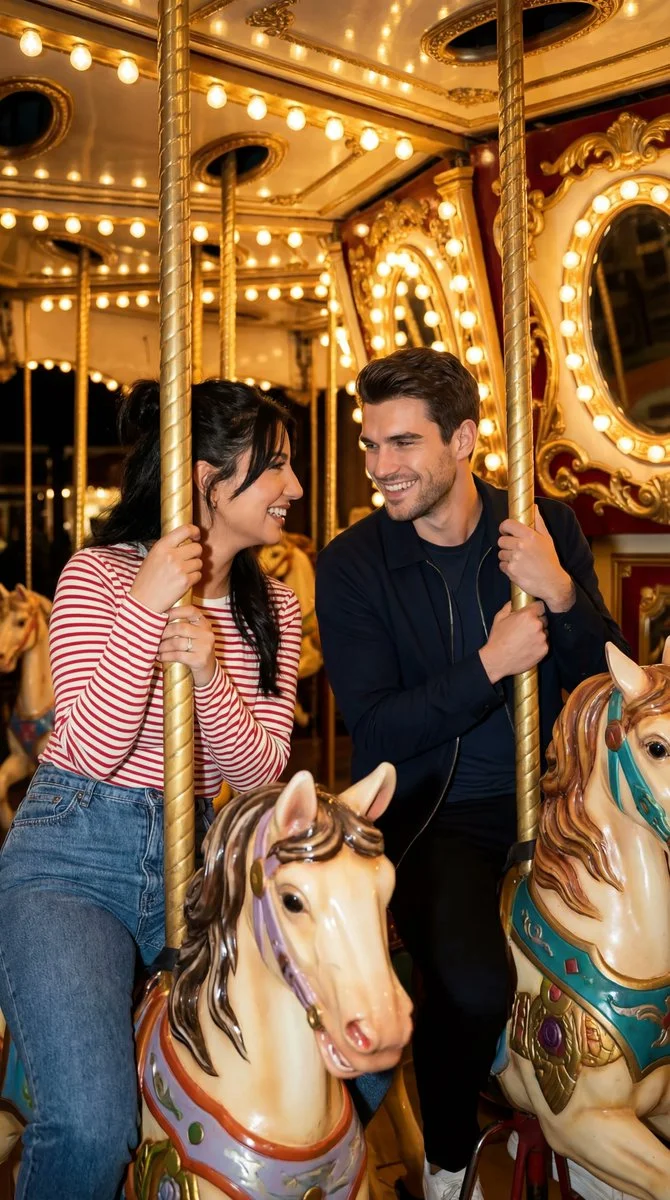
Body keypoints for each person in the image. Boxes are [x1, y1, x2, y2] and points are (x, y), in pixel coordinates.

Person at [315, 347, 628, 1200]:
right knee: (473, 979)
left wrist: (561, 595)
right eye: (373, 445)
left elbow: (602, 677)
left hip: (562, 798)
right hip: (433, 815)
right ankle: (449, 1156)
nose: (382, 468)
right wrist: (489, 666)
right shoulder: (353, 567)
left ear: (463, 437)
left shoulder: (540, 523)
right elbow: (378, 726)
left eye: (403, 444)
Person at [0, 378, 303, 1199]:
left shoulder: (273, 607)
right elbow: (93, 746)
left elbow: (262, 775)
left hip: (206, 862)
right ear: (207, 477)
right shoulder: (95, 577)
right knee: (95, 1126)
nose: (295, 488)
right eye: (273, 467)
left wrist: (208, 671)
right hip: (72, 856)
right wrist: (147, 603)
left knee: (354, 1057)